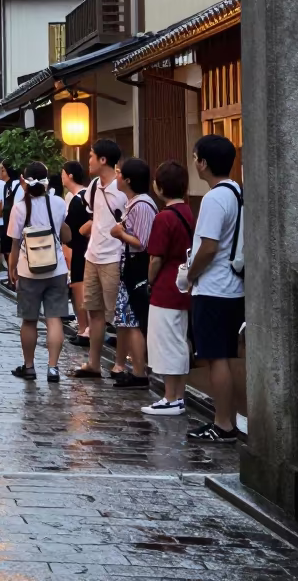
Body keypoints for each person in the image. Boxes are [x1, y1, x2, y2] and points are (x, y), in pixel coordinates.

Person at [186, 135, 244, 443]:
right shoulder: (237, 191)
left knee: (216, 358)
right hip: (234, 285)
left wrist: (190, 274)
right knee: (226, 357)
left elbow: (208, 247)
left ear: (204, 163)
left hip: (213, 287)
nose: (194, 162)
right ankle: (227, 420)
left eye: (196, 157)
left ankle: (223, 424)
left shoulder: (213, 198)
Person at [6, 161, 71, 382]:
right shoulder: (58, 203)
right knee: (54, 319)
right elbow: (65, 234)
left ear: (23, 181)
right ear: (47, 181)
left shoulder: (19, 208)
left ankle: (29, 366)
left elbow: (15, 243)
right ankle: (53, 368)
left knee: (29, 320)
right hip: (56, 268)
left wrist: (12, 268)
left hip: (28, 270)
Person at [142, 160, 195, 416]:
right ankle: (178, 396)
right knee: (179, 341)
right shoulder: (188, 212)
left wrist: (150, 281)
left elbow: (156, 258)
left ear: (160, 187)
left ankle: (171, 397)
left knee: (166, 342)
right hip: (184, 283)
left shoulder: (164, 217)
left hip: (166, 286)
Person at [72, 139, 128, 379]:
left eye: (92, 156)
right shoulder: (94, 186)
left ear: (103, 160)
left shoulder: (122, 188)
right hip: (92, 255)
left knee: (119, 316)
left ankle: (120, 364)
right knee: (94, 311)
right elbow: (95, 216)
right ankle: (93, 363)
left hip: (114, 256)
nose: (89, 161)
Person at [109, 157, 156, 389]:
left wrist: (120, 234)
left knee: (134, 320)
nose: (116, 177)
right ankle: (135, 369)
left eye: (119, 173)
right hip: (129, 266)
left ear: (128, 180)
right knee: (127, 320)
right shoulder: (134, 203)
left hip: (137, 268)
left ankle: (139, 372)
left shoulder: (142, 205)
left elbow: (143, 243)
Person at [61, 161, 91, 345]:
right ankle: (85, 328)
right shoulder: (87, 194)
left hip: (79, 248)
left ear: (70, 175)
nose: (62, 177)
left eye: (63, 173)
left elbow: (70, 230)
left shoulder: (77, 199)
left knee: (79, 288)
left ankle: (83, 329)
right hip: (88, 248)